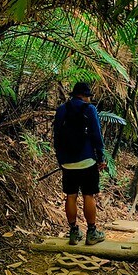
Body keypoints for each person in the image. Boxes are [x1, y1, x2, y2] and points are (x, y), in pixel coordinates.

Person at [53, 82, 106, 246]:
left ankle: (74, 232)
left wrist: (61, 159)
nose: (89, 100)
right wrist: (101, 157)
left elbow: (56, 136)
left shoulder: (62, 109)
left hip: (67, 163)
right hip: (87, 161)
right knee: (88, 195)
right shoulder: (89, 109)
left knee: (71, 195)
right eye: (88, 97)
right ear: (84, 96)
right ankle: (92, 232)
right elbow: (97, 135)